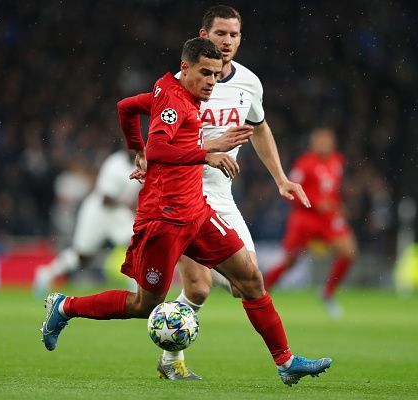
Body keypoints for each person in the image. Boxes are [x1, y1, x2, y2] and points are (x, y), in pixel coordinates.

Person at [40, 37, 332, 386]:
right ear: (185, 68)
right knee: (144, 305)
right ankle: (65, 306)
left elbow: (126, 107)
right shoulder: (175, 103)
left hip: (197, 214)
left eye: (216, 74)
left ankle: (286, 362)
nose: (212, 81)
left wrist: (137, 150)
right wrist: (204, 152)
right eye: (205, 73)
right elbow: (161, 147)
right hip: (163, 221)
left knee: (251, 280)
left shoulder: (176, 92)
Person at [119, 5, 311, 380]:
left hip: (223, 196)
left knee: (245, 285)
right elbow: (154, 130)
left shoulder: (249, 84)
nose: (227, 42)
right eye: (220, 33)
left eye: (234, 35)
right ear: (203, 36)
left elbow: (258, 127)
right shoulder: (180, 82)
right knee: (200, 287)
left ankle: (173, 343)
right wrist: (145, 155)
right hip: (183, 194)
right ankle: (173, 360)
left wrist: (281, 178)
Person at [264, 127, 358, 318]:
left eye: (328, 141)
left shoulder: (337, 161)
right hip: (305, 218)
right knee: (290, 261)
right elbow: (289, 192)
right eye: (320, 141)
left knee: (348, 251)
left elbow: (332, 190)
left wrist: (337, 205)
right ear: (313, 143)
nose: (324, 144)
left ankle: (327, 292)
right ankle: (263, 291)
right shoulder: (304, 164)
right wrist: (315, 203)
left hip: (328, 218)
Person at [33, 150, 140, 298]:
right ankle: (45, 274)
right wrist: (127, 205)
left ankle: (136, 291)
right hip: (98, 212)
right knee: (83, 256)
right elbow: (105, 198)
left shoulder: (143, 163)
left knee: (136, 243)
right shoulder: (115, 164)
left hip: (117, 213)